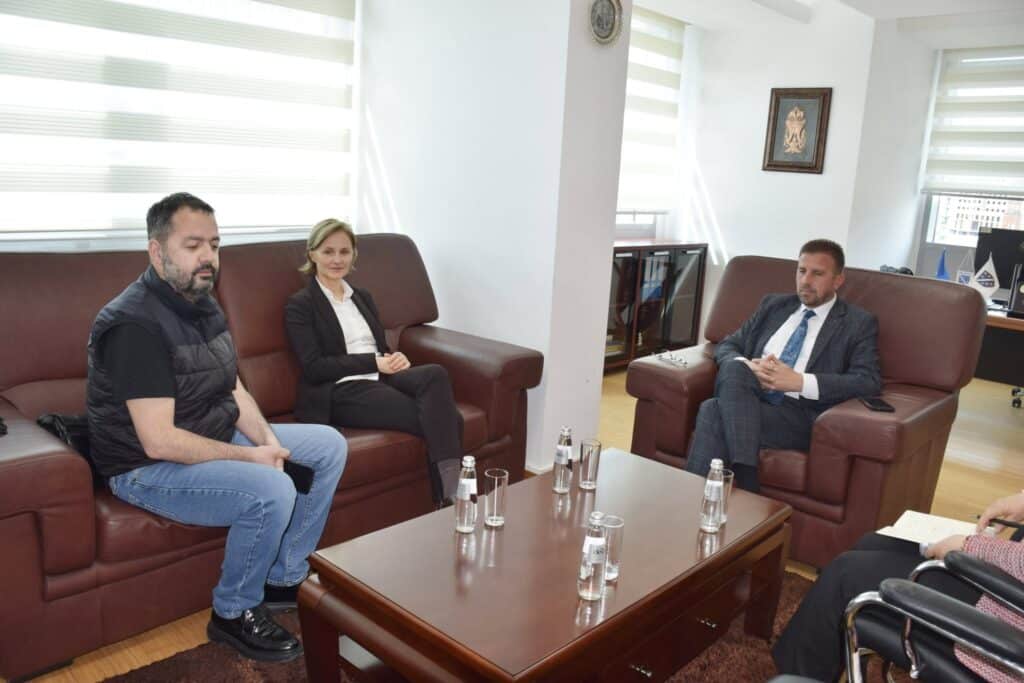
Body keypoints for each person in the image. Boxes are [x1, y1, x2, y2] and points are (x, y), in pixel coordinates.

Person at [87, 193, 348, 663]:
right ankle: (232, 611)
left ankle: (283, 578)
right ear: (156, 251)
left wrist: (271, 445)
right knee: (272, 489)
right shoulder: (133, 324)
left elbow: (233, 388)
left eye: (214, 244)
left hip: (208, 432)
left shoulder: (202, 301)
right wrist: (253, 458)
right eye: (193, 245)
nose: (208, 256)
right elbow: (158, 440)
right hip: (144, 466)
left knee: (328, 446)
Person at [285, 218, 464, 505]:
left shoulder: (362, 297)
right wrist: (373, 362)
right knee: (450, 420)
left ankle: (448, 497)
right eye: (328, 251)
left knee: (435, 373)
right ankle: (451, 497)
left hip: (381, 375)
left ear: (354, 255)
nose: (337, 259)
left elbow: (378, 347)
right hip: (340, 390)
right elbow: (314, 367)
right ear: (312, 254)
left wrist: (393, 357)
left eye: (344, 251)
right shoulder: (301, 304)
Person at [684, 239, 881, 492]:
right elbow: (728, 344)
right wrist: (751, 367)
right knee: (734, 368)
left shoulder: (857, 323)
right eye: (801, 271)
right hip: (749, 397)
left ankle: (698, 499)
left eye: (817, 273)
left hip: (798, 415)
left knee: (713, 410)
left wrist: (800, 382)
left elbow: (867, 381)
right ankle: (746, 476)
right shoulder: (773, 305)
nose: (805, 280)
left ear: (838, 280)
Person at [773, 491, 1024, 682]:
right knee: (873, 543)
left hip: (1007, 616)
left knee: (844, 575)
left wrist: (969, 545)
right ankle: (815, 670)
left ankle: (795, 676)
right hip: (1009, 584)